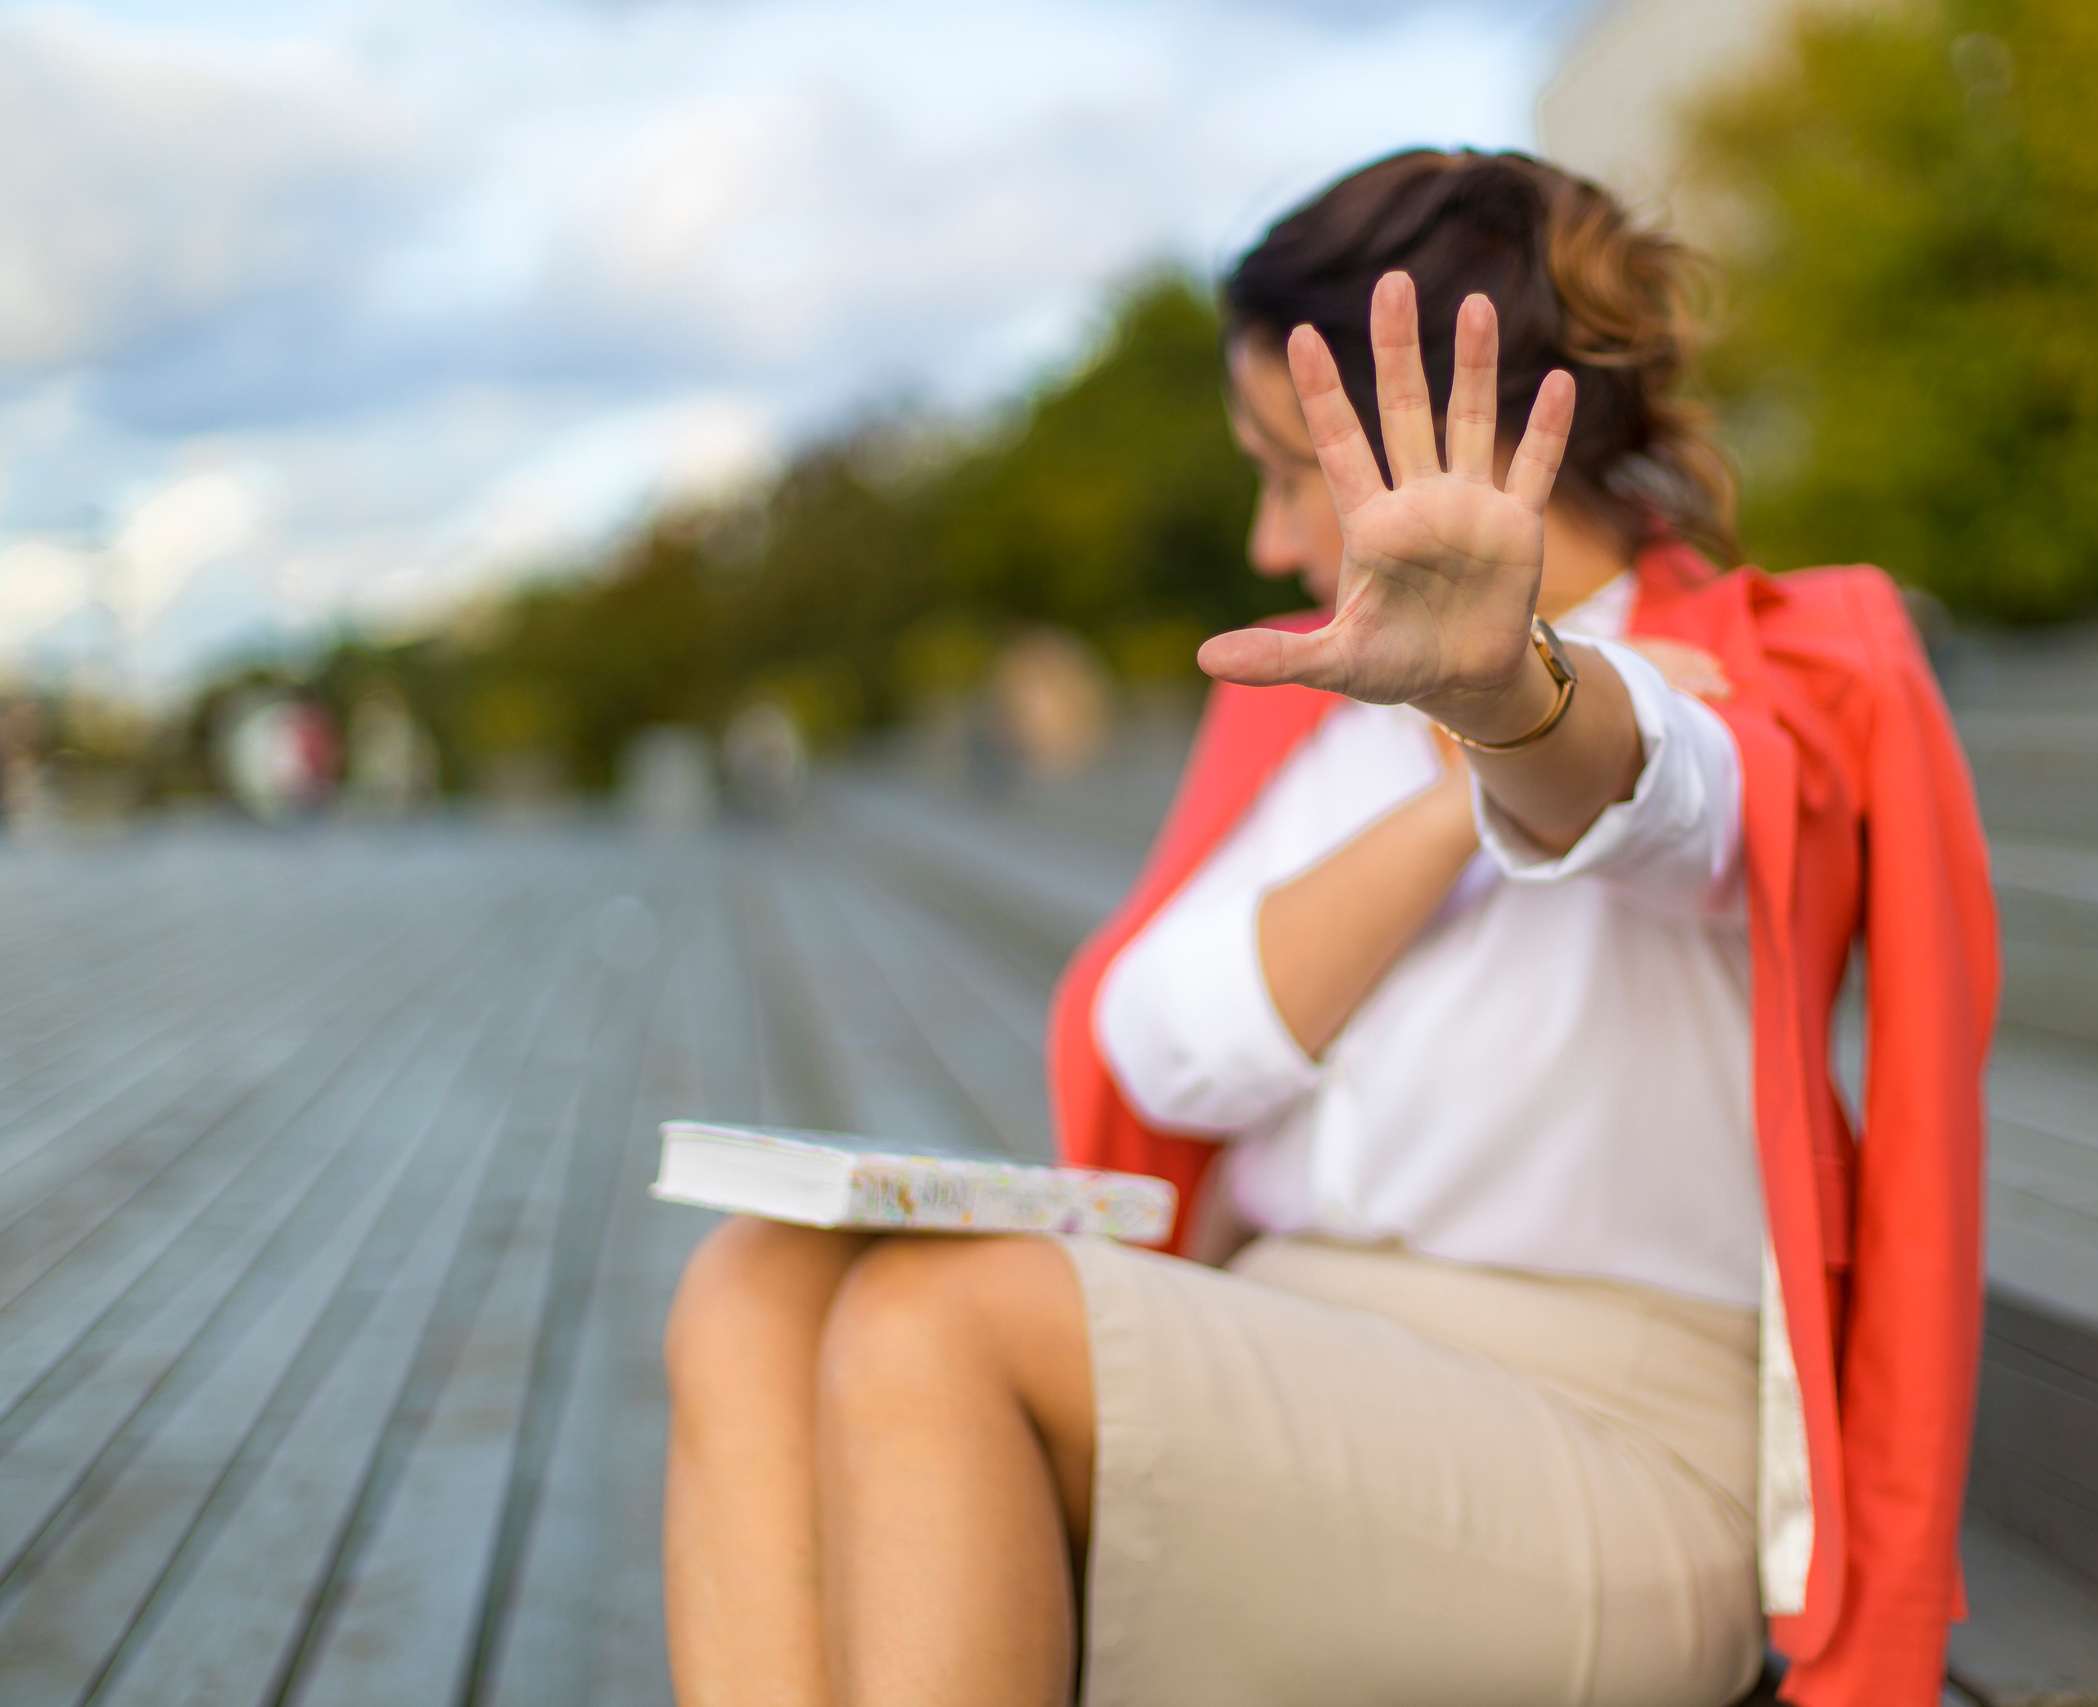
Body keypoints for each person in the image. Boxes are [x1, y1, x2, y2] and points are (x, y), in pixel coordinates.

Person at [663, 149, 1999, 1707]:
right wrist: (1438, 807)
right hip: (1285, 1372)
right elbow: (1160, 1050)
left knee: (941, 1321)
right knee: (755, 1286)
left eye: (1289, 474)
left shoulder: (1744, 682)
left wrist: (1504, 706)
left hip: (1603, 1459)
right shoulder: (1321, 725)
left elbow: (1657, 800)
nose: (1269, 541)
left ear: (1454, 444)